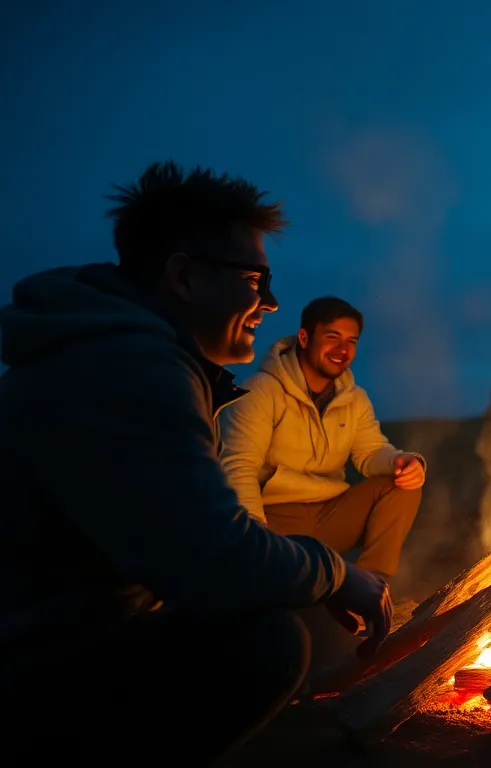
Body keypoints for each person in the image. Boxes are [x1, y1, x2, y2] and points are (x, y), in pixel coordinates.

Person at [0, 161, 391, 763]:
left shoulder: (123, 351)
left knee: (296, 613)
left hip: (64, 631)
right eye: (256, 279)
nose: (271, 302)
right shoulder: (132, 366)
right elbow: (212, 555)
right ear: (184, 278)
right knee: (272, 642)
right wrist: (337, 573)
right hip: (34, 663)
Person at [220, 296, 425, 585]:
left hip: (331, 513)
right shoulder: (261, 391)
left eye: (352, 341)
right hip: (275, 520)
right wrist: (256, 533)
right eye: (333, 338)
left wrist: (401, 461)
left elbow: (370, 453)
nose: (343, 350)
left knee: (403, 486)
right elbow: (238, 466)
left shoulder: (355, 400)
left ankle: (370, 584)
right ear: (304, 337)